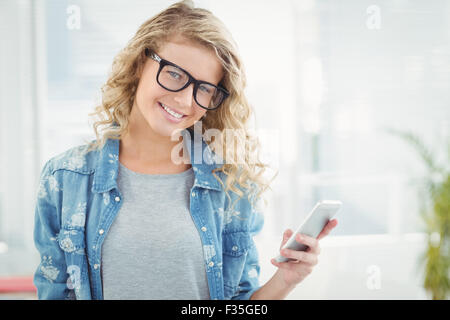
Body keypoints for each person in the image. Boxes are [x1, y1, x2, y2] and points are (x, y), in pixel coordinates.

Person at [33, 0, 337, 300]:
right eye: (175, 74)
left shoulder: (230, 184)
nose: (185, 100)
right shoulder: (65, 178)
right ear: (140, 63)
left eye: (204, 88)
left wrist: (285, 281)